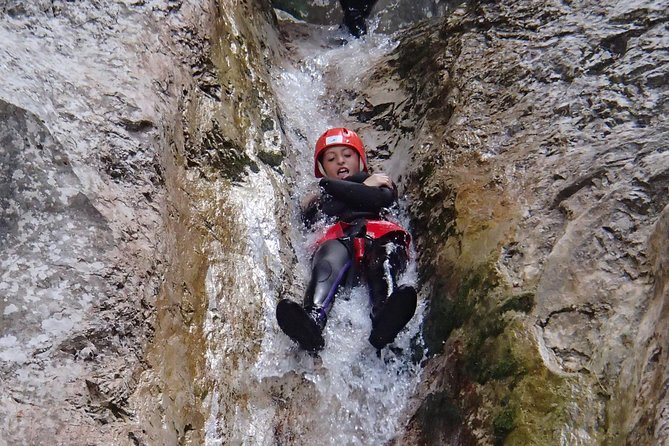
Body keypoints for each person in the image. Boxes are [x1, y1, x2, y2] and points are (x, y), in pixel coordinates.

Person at [276, 127, 417, 352]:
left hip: (380, 235)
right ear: (322, 168)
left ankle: (385, 314)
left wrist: (343, 187)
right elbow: (320, 211)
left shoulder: (379, 182)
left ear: (360, 161)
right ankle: (312, 319)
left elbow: (378, 199)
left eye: (347, 155)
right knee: (327, 261)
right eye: (331, 159)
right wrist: (342, 189)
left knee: (385, 255)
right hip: (339, 239)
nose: (340, 161)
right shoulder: (322, 195)